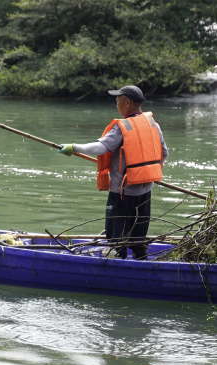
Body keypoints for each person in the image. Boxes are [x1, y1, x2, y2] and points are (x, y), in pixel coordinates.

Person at [58, 86, 169, 260]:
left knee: (116, 241)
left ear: (127, 102)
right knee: (138, 239)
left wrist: (74, 147)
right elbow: (164, 154)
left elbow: (100, 148)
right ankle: (141, 264)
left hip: (122, 194)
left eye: (118, 101)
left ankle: (118, 267)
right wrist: (145, 173)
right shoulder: (154, 125)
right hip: (145, 192)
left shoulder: (122, 127)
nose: (116, 105)